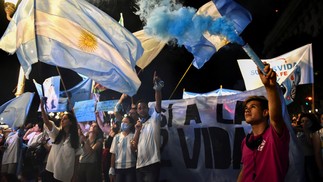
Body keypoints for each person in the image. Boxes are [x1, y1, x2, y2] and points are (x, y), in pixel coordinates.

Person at [237, 63, 290, 182]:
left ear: (266, 112)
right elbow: (245, 169)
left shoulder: (275, 135)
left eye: (253, 106)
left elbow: (276, 118)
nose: (247, 109)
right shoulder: (245, 141)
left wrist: (270, 87)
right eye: (246, 107)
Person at [131, 71, 163, 182]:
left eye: (144, 107)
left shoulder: (154, 118)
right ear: (137, 111)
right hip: (139, 166)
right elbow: (133, 147)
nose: (142, 109)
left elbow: (158, 104)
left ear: (148, 109)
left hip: (152, 164)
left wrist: (157, 88)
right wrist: (137, 131)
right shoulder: (138, 125)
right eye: (139, 108)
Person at [40, 98, 80, 182]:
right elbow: (47, 122)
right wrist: (42, 107)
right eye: (62, 118)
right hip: (51, 170)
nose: (62, 120)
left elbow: (77, 158)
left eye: (65, 118)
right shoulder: (57, 133)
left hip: (64, 173)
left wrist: (75, 175)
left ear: (71, 122)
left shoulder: (76, 139)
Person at [109, 116, 137, 182]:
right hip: (118, 168)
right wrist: (112, 168)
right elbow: (113, 154)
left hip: (130, 167)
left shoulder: (133, 136)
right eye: (122, 122)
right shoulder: (117, 137)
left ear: (130, 124)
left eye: (125, 122)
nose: (123, 124)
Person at [297, 113, 323, 181]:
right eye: (302, 121)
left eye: (307, 121)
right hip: (301, 158)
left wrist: (306, 130)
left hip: (310, 158)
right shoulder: (298, 131)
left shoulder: (315, 132)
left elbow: (311, 145)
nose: (304, 123)